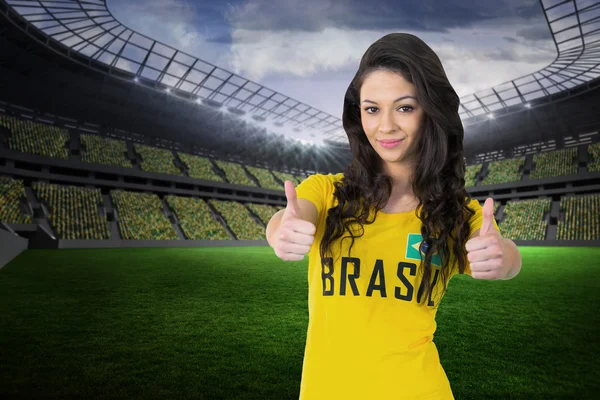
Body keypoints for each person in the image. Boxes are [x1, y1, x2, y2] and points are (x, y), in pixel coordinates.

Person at [266, 33, 522, 400]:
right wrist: (281, 230)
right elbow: (288, 218)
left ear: (431, 110)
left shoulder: (456, 213)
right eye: (372, 108)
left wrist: (504, 258)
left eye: (404, 107)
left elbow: (509, 258)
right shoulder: (326, 193)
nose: (385, 126)